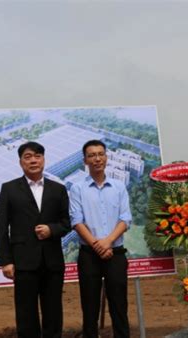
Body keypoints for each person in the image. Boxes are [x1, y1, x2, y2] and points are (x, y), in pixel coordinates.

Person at [0, 141, 70, 338]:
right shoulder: (9, 189)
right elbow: (1, 227)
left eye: (37, 156)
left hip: (52, 261)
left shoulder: (58, 189)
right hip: (23, 262)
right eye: (28, 157)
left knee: (53, 311)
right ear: (20, 162)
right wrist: (6, 261)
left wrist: (51, 229)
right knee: (26, 313)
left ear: (44, 160)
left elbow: (66, 223)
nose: (33, 160)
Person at [69, 139, 131, 338]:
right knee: (89, 308)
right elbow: (77, 221)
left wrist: (107, 242)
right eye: (92, 155)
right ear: (85, 160)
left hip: (116, 253)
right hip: (89, 255)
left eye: (100, 154)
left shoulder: (119, 186)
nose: (97, 159)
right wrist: (97, 245)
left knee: (119, 306)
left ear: (106, 157)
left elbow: (125, 219)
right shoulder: (77, 189)